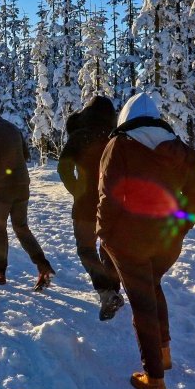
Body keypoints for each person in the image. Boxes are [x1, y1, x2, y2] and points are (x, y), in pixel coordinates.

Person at [97, 92, 195, 389]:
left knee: (142, 301)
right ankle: (164, 351)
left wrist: (103, 234)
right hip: (167, 241)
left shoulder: (118, 145)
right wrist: (179, 226)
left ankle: (154, 379)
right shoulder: (180, 150)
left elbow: (109, 197)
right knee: (153, 286)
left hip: (128, 240)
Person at [0, 104, 55, 289]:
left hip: (3, 189)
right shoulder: (10, 126)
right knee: (22, 228)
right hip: (22, 184)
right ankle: (43, 267)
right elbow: (25, 154)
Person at [57, 96, 125, 321]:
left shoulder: (79, 136)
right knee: (109, 248)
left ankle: (107, 293)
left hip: (85, 203)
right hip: (113, 203)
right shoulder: (115, 137)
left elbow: (63, 167)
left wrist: (77, 189)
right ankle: (113, 291)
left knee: (86, 249)